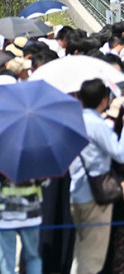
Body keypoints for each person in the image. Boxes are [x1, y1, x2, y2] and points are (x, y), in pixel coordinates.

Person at [69, 78, 124, 274]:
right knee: (93, 256)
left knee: (80, 251)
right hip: (95, 196)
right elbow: (120, 153)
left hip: (75, 192)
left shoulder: (73, 120)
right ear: (103, 100)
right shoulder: (96, 123)